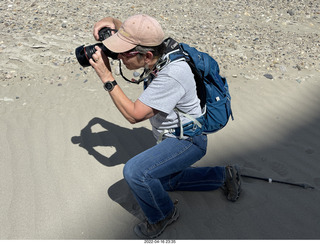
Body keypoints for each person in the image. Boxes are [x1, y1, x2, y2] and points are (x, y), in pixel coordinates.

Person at [89, 14, 241, 239]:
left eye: (123, 53)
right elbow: (136, 33)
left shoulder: (172, 74)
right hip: (173, 136)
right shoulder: (162, 48)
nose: (119, 57)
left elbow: (133, 115)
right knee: (162, 180)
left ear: (147, 55)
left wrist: (106, 76)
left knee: (136, 173)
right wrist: (112, 22)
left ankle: (163, 215)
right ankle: (223, 176)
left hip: (187, 141)